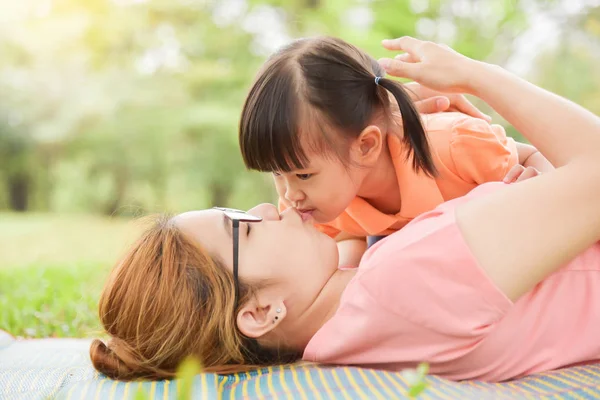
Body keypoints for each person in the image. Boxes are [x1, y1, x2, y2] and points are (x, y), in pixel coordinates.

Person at [90, 37, 600, 382]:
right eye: (244, 228)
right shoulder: (404, 278)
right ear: (262, 312)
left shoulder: (345, 328)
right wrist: (475, 77)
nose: (272, 207)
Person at [239, 36, 553, 264]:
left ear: (365, 145)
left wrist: (540, 183)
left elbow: (535, 155)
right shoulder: (315, 197)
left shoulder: (452, 144)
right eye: (278, 173)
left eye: (303, 174)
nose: (289, 195)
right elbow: (343, 241)